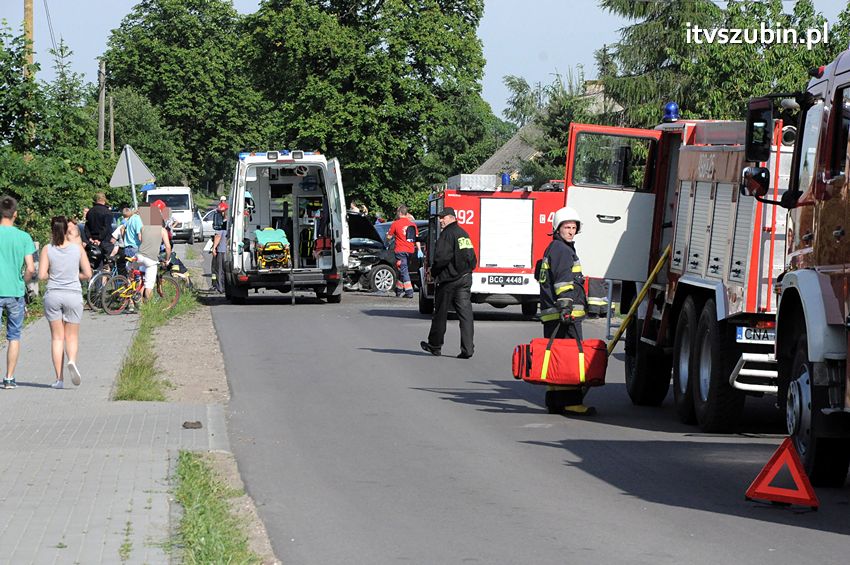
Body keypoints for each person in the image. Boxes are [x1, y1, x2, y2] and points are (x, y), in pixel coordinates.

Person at [536, 206, 593, 415]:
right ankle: (571, 402)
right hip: (564, 314)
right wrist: (566, 307)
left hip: (553, 313)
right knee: (569, 358)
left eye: (573, 227)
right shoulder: (562, 250)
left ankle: (554, 401)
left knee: (556, 358)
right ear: (557, 228)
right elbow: (563, 282)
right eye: (567, 227)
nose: (571, 231)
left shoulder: (553, 248)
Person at [39, 216, 92, 389]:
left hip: (53, 295)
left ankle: (59, 379)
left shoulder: (47, 249)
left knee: (57, 338)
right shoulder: (77, 249)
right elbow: (88, 274)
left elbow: (42, 275)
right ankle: (72, 361)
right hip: (73, 295)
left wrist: (55, 275)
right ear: (66, 230)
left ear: (52, 230)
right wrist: (74, 276)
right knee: (72, 336)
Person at [420, 207, 476, 359]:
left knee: (440, 313)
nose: (440, 220)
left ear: (451, 217)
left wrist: (433, 272)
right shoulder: (463, 234)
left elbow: (442, 258)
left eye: (443, 217)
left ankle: (435, 346)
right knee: (465, 315)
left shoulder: (447, 235)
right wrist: (467, 270)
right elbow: (472, 257)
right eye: (440, 217)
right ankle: (467, 349)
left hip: (448, 281)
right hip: (465, 278)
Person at [0, 195, 36, 389]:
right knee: (13, 336)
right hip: (14, 292)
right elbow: (30, 268)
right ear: (15, 214)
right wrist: (24, 282)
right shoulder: (23, 237)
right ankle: (9, 378)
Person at [136, 204, 172, 301]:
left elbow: (141, 240)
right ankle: (149, 306)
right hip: (150, 259)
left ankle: (137, 301)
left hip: (139, 256)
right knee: (149, 285)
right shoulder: (162, 230)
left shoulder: (143, 228)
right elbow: (168, 247)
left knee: (141, 280)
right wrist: (167, 259)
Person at [386, 205, 421, 298]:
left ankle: (409, 292)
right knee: (402, 269)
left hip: (400, 251)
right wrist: (419, 250)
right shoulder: (412, 225)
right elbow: (416, 238)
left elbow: (389, 237)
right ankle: (398, 290)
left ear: (400, 213)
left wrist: (388, 236)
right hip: (410, 251)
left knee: (403, 270)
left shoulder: (395, 224)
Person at [85, 193, 114, 268]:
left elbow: (87, 226)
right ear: (104, 200)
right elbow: (106, 227)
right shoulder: (107, 212)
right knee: (107, 264)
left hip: (92, 241)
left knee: (94, 264)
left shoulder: (90, 211)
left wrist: (89, 237)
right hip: (104, 241)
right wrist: (99, 239)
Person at [211, 201, 228, 293]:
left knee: (219, 269)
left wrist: (214, 247)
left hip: (221, 250)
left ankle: (220, 288)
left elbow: (218, 236)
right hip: (228, 249)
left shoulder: (221, 223)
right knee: (226, 270)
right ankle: (225, 287)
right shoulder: (230, 222)